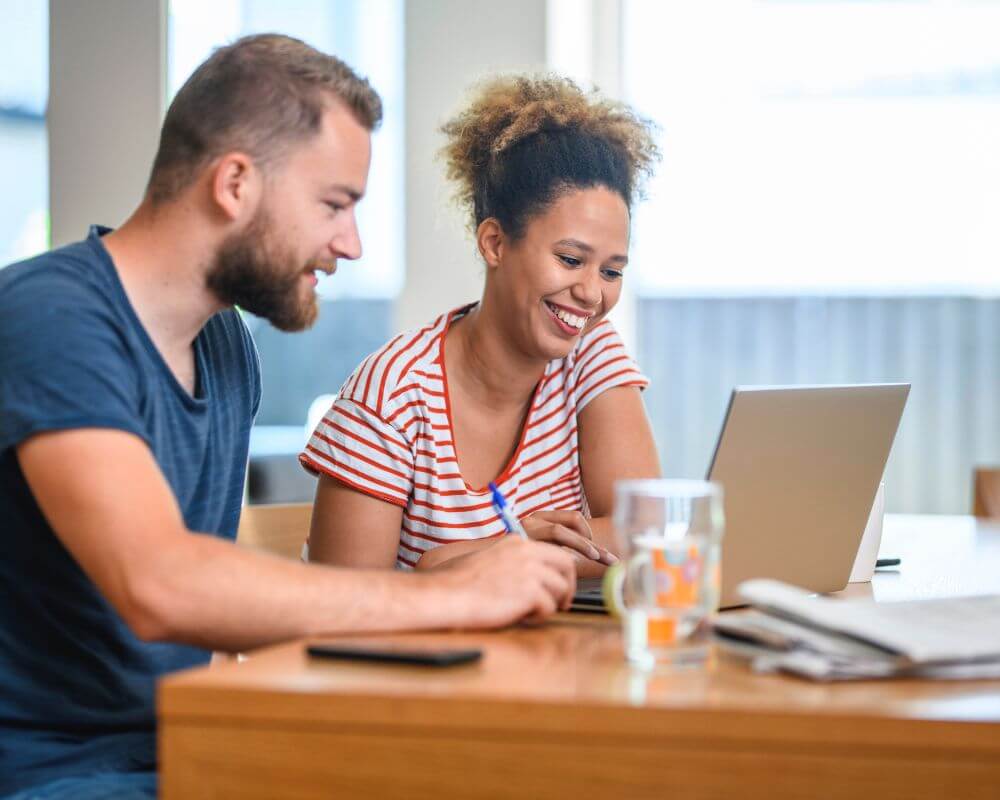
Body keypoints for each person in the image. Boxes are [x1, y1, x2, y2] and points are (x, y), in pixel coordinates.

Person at [0, 35, 576, 800]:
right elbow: (161, 584)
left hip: (191, 745)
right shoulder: (54, 318)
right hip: (49, 775)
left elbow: (220, 601)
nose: (351, 242)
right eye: (334, 204)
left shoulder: (225, 344)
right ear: (235, 183)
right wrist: (450, 596)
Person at [302, 75, 661, 576]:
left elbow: (648, 535)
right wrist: (505, 556)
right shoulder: (390, 395)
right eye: (570, 258)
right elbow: (340, 609)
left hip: (554, 654)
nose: (592, 293)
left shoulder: (591, 353)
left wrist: (467, 559)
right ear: (494, 243)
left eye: (612, 271)